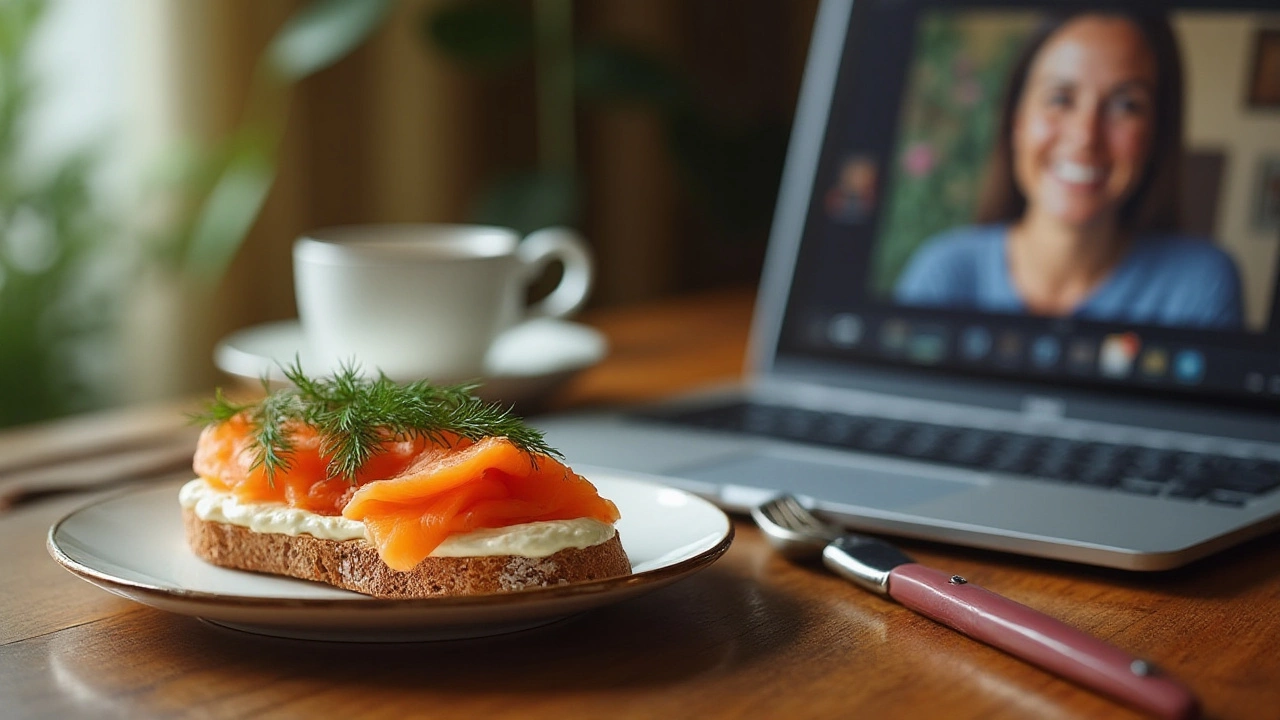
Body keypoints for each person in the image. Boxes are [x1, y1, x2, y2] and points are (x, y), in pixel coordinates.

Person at [894, 11, 1244, 330]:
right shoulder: (943, 272)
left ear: (1156, 133)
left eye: (1126, 105)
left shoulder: (1198, 285)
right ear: (1017, 121)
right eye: (1060, 98)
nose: (1085, 136)